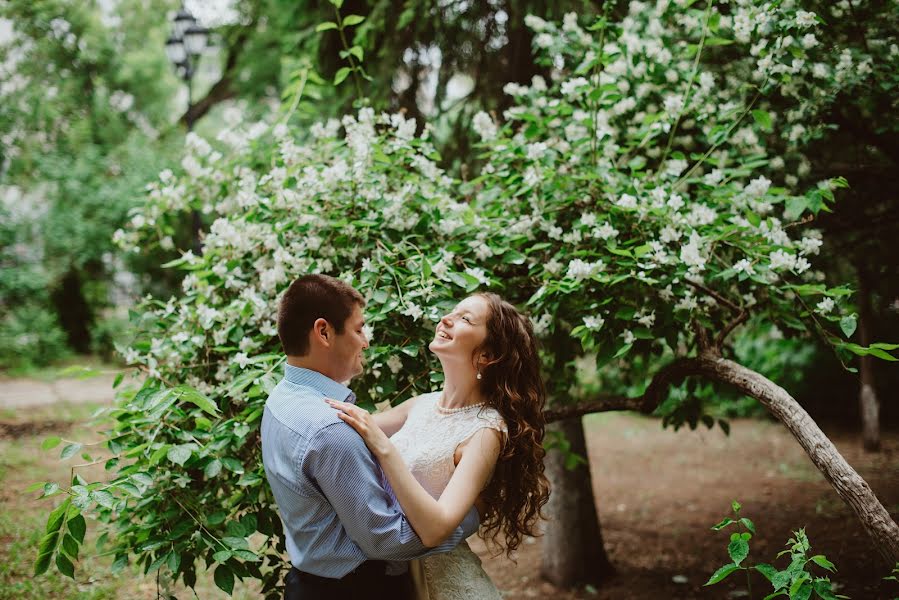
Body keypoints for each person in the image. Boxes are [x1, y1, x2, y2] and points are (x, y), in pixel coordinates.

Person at [260, 274, 480, 600]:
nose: (365, 342)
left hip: (307, 583)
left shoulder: (280, 399)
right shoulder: (331, 431)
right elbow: (387, 540)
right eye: (358, 329)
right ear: (323, 332)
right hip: (358, 589)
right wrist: (472, 515)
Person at [328, 292, 551, 600]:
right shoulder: (421, 404)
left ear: (486, 355)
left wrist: (385, 449)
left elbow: (436, 529)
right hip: (396, 583)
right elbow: (346, 427)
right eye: (453, 311)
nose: (447, 319)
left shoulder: (486, 430)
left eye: (465, 319)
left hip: (444, 589)